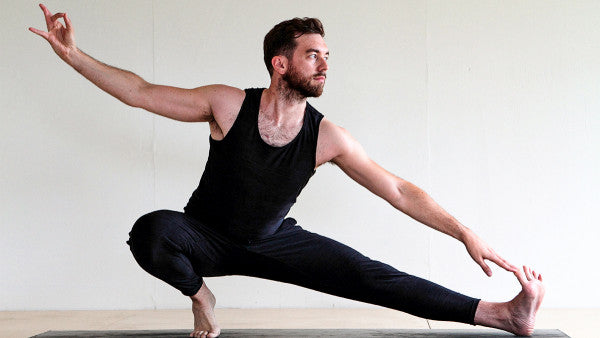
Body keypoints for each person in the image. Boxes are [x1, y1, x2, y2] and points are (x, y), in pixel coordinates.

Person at [30, 4, 545, 338]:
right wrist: (74, 57)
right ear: (280, 63)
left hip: (274, 241)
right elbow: (140, 93)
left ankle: (501, 315)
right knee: (150, 231)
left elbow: (400, 190)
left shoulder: (327, 137)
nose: (324, 64)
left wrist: (464, 233)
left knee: (372, 277)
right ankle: (200, 295)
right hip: (204, 236)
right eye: (313, 55)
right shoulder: (228, 105)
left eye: (327, 56)